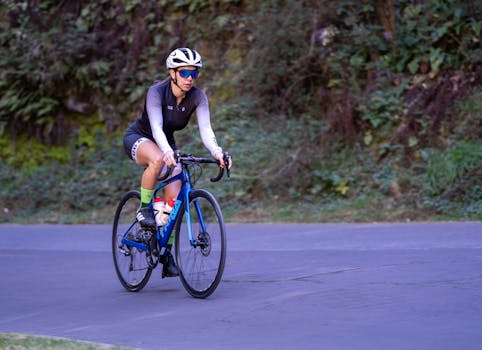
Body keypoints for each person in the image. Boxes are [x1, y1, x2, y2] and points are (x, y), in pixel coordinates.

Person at [123, 47, 232, 276]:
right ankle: (144, 208)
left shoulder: (198, 97)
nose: (190, 78)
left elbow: (206, 129)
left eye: (194, 73)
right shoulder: (156, 92)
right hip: (141, 137)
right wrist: (166, 152)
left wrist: (218, 152)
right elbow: (156, 128)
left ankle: (165, 253)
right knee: (157, 160)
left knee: (174, 199)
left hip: (166, 142)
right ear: (172, 73)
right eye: (184, 73)